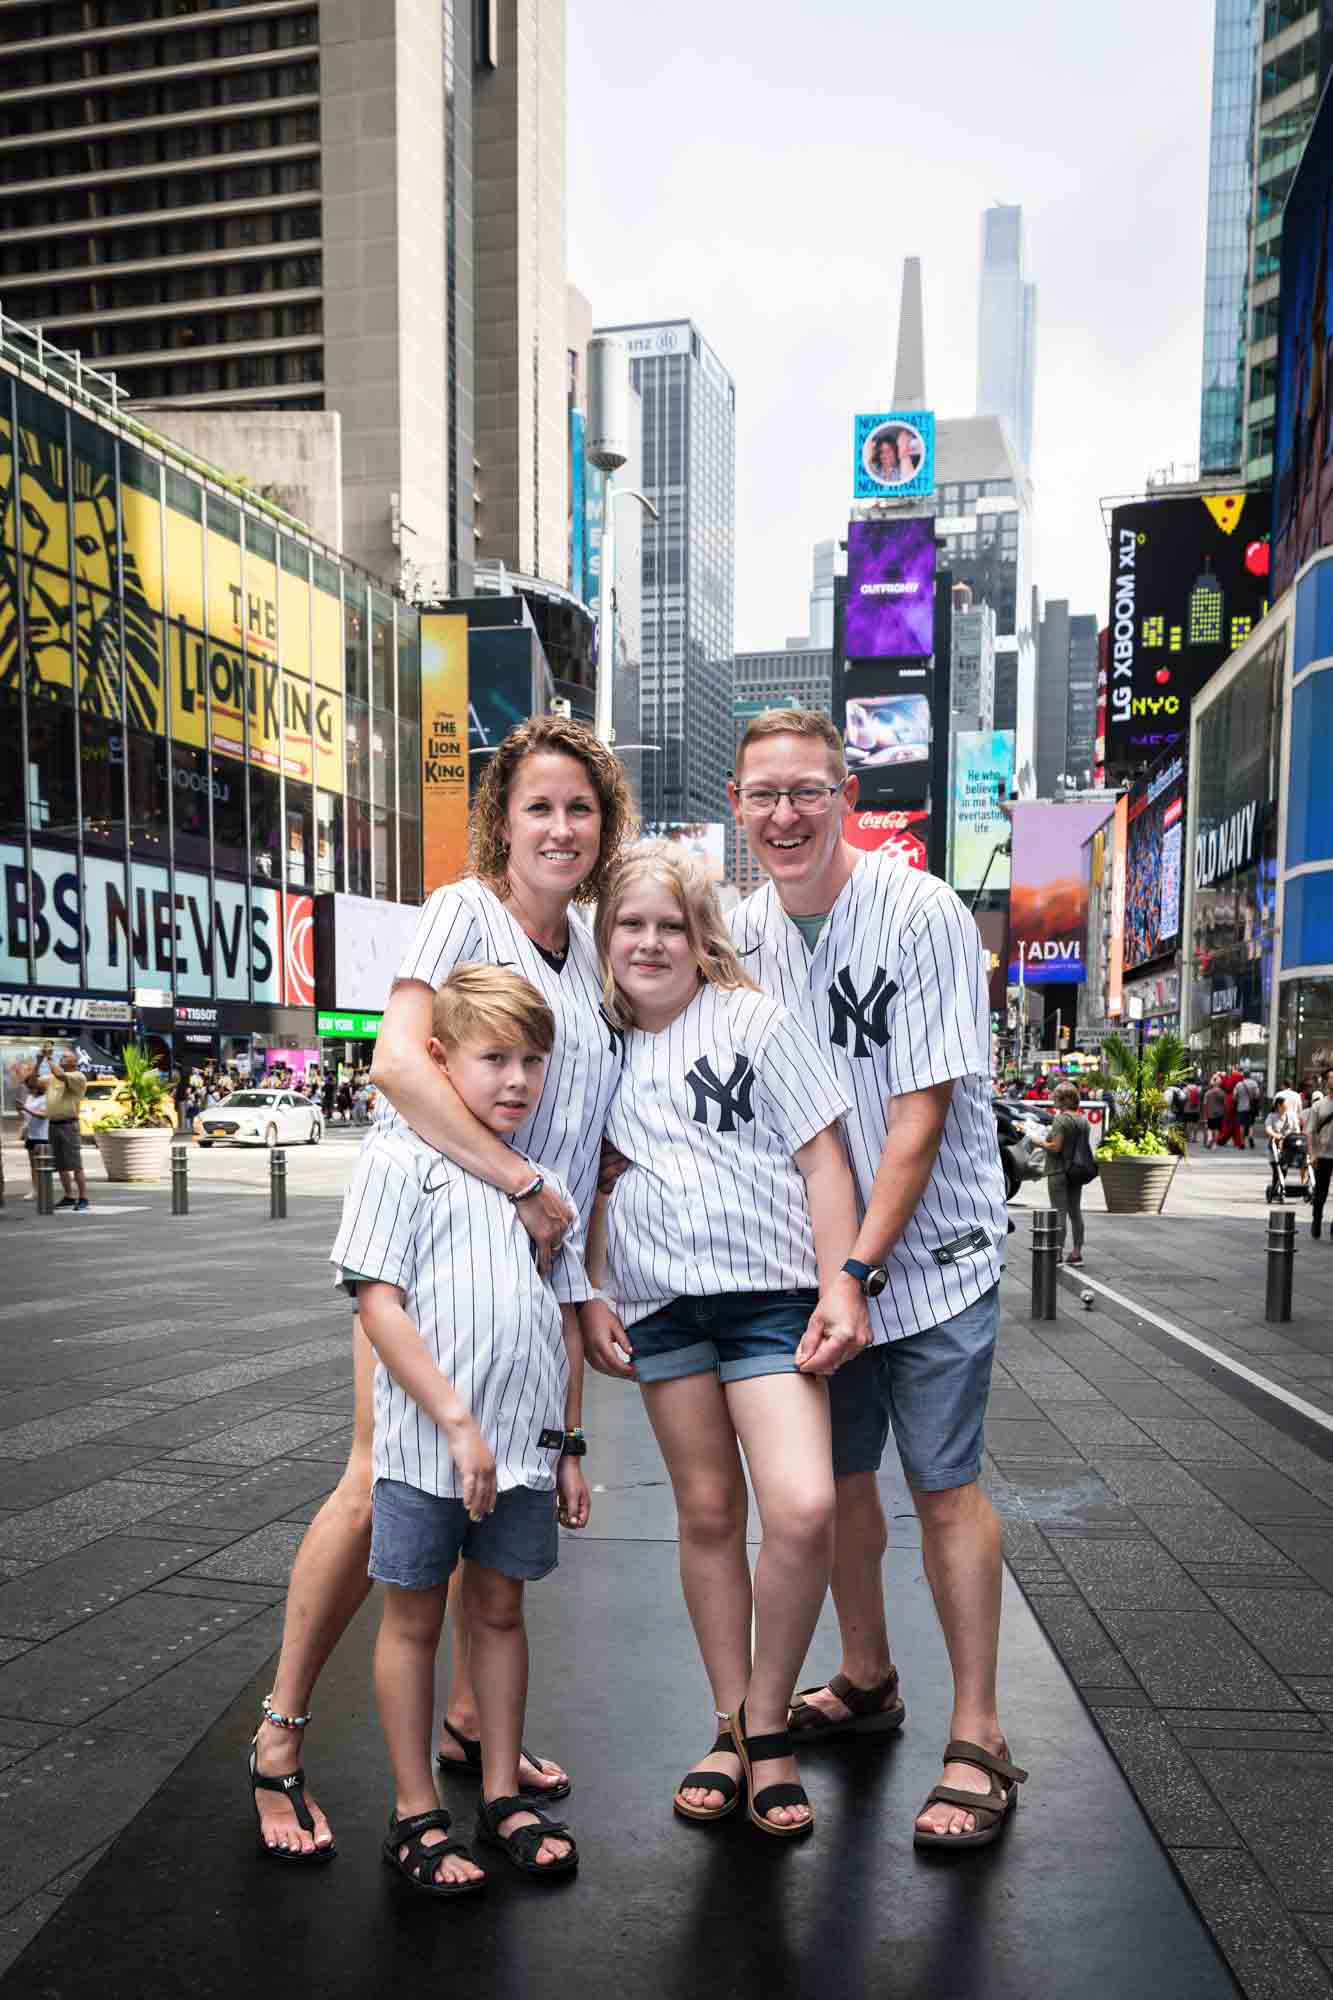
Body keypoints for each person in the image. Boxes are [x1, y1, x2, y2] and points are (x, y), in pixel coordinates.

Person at [248, 715, 636, 1859]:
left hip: (527, 1282)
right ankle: (278, 1735)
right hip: (434, 1243)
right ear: (501, 821)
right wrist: (517, 1177)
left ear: (603, 824)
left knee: (505, 1499)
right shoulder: (464, 910)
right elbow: (396, 1058)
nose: (560, 827)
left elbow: (588, 1140)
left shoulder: (591, 951)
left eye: (580, 807)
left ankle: (476, 1724)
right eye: (538, 806)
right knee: (379, 1485)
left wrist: (580, 1268)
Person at [719, 710, 1022, 1849]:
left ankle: (981, 1731)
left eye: (806, 790)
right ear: (737, 805)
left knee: (941, 1485)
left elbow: (921, 1112)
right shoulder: (735, 927)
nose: (784, 813)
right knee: (842, 1487)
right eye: (762, 794)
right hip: (813, 1269)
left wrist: (858, 1265)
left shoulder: (923, 908)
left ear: (844, 795)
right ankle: (865, 1673)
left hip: (929, 1252)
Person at [586, 846, 865, 1838]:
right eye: (631, 924)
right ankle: (728, 1724)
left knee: (799, 1505)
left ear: (699, 936)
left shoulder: (751, 1020)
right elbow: (582, 1174)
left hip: (770, 1301)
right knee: (707, 1512)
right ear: (604, 937)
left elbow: (824, 1160)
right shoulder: (596, 1041)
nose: (650, 941)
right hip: (661, 1305)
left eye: (669, 924)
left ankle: (768, 1714)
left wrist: (842, 1284)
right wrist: (588, 1291)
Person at [321, 966, 587, 1892]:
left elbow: (560, 1310)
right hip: (429, 1452)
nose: (517, 1080)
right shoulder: (398, 1161)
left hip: (521, 1452)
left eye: (532, 1063)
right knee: (414, 1622)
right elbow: (379, 1306)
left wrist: (569, 1443)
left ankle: (502, 1792)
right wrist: (456, 1421)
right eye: (494, 1059)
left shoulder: (537, 1184)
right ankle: (413, 1812)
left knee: (503, 1614)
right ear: (438, 1058)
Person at [1030, 1081, 1090, 1266]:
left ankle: (1057, 1252)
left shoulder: (1061, 1120)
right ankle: (1077, 1252)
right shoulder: (1083, 1121)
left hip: (1058, 1171)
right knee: (1075, 1212)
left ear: (1064, 1099)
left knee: (1059, 1213)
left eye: (1055, 1096)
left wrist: (1037, 1141)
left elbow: (1056, 1148)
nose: (1053, 1099)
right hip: (1076, 1171)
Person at [37, 1050, 90, 1211]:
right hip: (53, 1124)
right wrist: (39, 1062)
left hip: (68, 1125)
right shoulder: (51, 1078)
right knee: (60, 1165)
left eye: (65, 1056)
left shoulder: (77, 1076)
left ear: (74, 1061)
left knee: (75, 1164)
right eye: (62, 1056)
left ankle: (83, 1197)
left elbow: (60, 1075)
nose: (62, 1058)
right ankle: (69, 1196)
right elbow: (32, 1082)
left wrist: (48, 1058)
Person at [1309, 1070, 1333, 1238]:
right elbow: (1309, 1132)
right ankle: (1316, 1220)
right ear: (1326, 1082)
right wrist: (1312, 1154)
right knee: (1320, 1193)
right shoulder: (1318, 1105)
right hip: (1323, 1155)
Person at [1233, 1071, 1257, 1150]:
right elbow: (1257, 1094)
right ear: (1250, 1076)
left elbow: (1234, 1096)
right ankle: (1250, 1137)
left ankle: (1242, 1142)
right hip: (1251, 1108)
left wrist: (1239, 1099)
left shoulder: (1238, 1084)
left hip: (1241, 1107)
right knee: (1250, 1124)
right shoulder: (1254, 1083)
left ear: (1243, 1076)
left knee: (1242, 1125)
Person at [1202, 1075, 1226, 1148]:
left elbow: (1205, 1104)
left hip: (1210, 1113)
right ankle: (1215, 1143)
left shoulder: (1207, 1093)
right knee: (1217, 1129)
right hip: (1219, 1113)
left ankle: (1210, 1138)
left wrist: (1204, 1114)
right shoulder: (1222, 1092)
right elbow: (1224, 1103)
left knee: (1210, 1128)